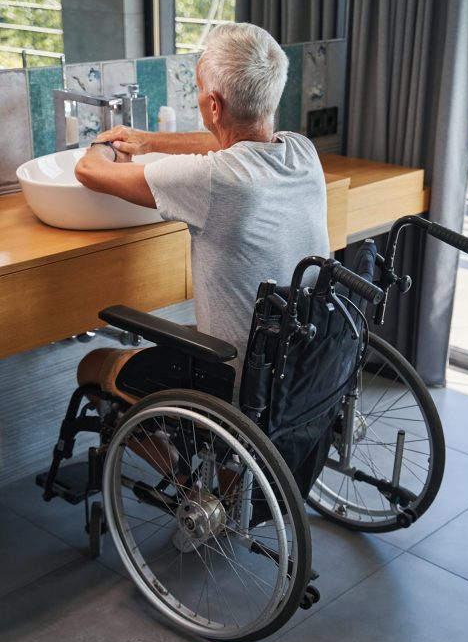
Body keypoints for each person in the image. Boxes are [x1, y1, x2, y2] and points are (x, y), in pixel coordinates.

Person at [75, 22, 330, 404]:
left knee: (93, 365)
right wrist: (150, 141)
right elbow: (227, 140)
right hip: (298, 369)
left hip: (232, 378)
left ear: (213, 106)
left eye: (197, 89)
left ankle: (184, 466)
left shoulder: (213, 179)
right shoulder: (303, 152)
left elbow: (89, 172)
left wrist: (103, 141)